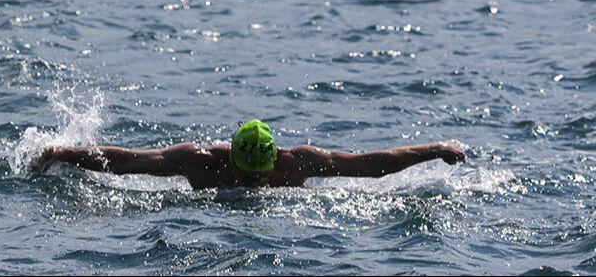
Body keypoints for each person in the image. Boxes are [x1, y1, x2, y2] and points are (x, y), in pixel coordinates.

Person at [32, 119, 466, 189]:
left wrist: (433, 149)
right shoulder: (201, 161)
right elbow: (127, 161)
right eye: (247, 174)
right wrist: (61, 152)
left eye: (261, 174)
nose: (254, 183)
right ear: (230, 159)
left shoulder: (298, 163)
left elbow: (368, 166)